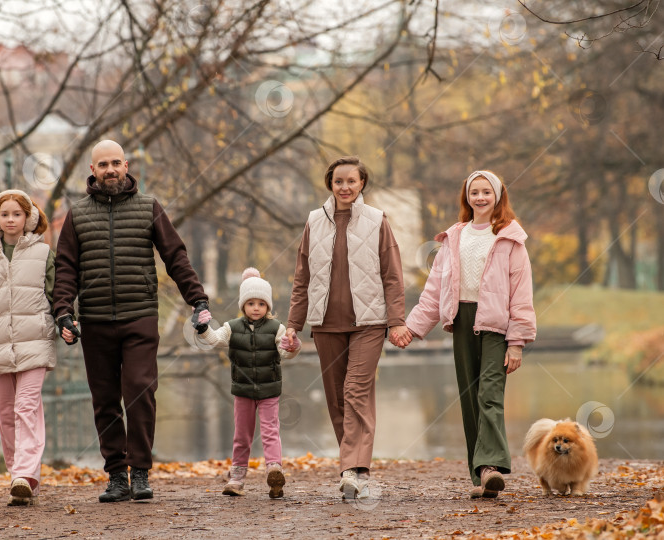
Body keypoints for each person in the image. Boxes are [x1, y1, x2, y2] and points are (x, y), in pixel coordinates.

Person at [53, 139, 209, 503]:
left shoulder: (148, 207)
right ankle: (117, 476)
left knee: (140, 390)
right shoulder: (77, 215)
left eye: (116, 163)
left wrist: (197, 300)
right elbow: (66, 269)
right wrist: (63, 311)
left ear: (126, 166)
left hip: (139, 315)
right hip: (95, 321)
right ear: (92, 171)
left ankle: (140, 471)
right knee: (105, 399)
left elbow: (175, 256)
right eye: (102, 164)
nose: (110, 170)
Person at [400, 170, 536, 499]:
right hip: (461, 320)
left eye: (486, 192)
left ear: (498, 196)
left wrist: (516, 343)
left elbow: (521, 295)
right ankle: (480, 476)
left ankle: (491, 466)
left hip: (496, 326)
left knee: (489, 392)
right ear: (467, 197)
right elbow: (435, 291)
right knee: (470, 397)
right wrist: (412, 327)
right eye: (473, 192)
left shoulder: (510, 238)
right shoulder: (454, 237)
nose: (479, 197)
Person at [285, 156, 407, 500]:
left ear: (362, 183)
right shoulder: (314, 222)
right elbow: (302, 277)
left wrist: (396, 320)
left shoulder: (377, 221)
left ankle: (353, 468)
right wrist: (293, 324)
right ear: (330, 184)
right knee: (337, 398)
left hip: (368, 324)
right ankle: (354, 470)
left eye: (351, 181)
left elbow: (393, 276)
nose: (345, 187)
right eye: (339, 181)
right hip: (325, 325)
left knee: (355, 391)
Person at [0, 189, 56, 506]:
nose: (11, 220)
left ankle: (24, 473)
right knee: (5, 413)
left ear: (27, 217)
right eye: (5, 214)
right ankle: (24, 478)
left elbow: (58, 296)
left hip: (36, 344)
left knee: (25, 407)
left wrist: (64, 323)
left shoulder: (43, 254)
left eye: (17, 214)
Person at [195, 268, 301, 498]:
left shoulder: (277, 328)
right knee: (242, 435)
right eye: (251, 303)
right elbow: (213, 340)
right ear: (243, 305)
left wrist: (292, 347)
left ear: (268, 307)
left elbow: (286, 353)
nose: (256, 308)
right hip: (242, 391)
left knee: (270, 431)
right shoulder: (232, 328)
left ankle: (274, 470)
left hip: (269, 390)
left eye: (261, 304)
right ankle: (237, 478)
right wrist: (203, 329)